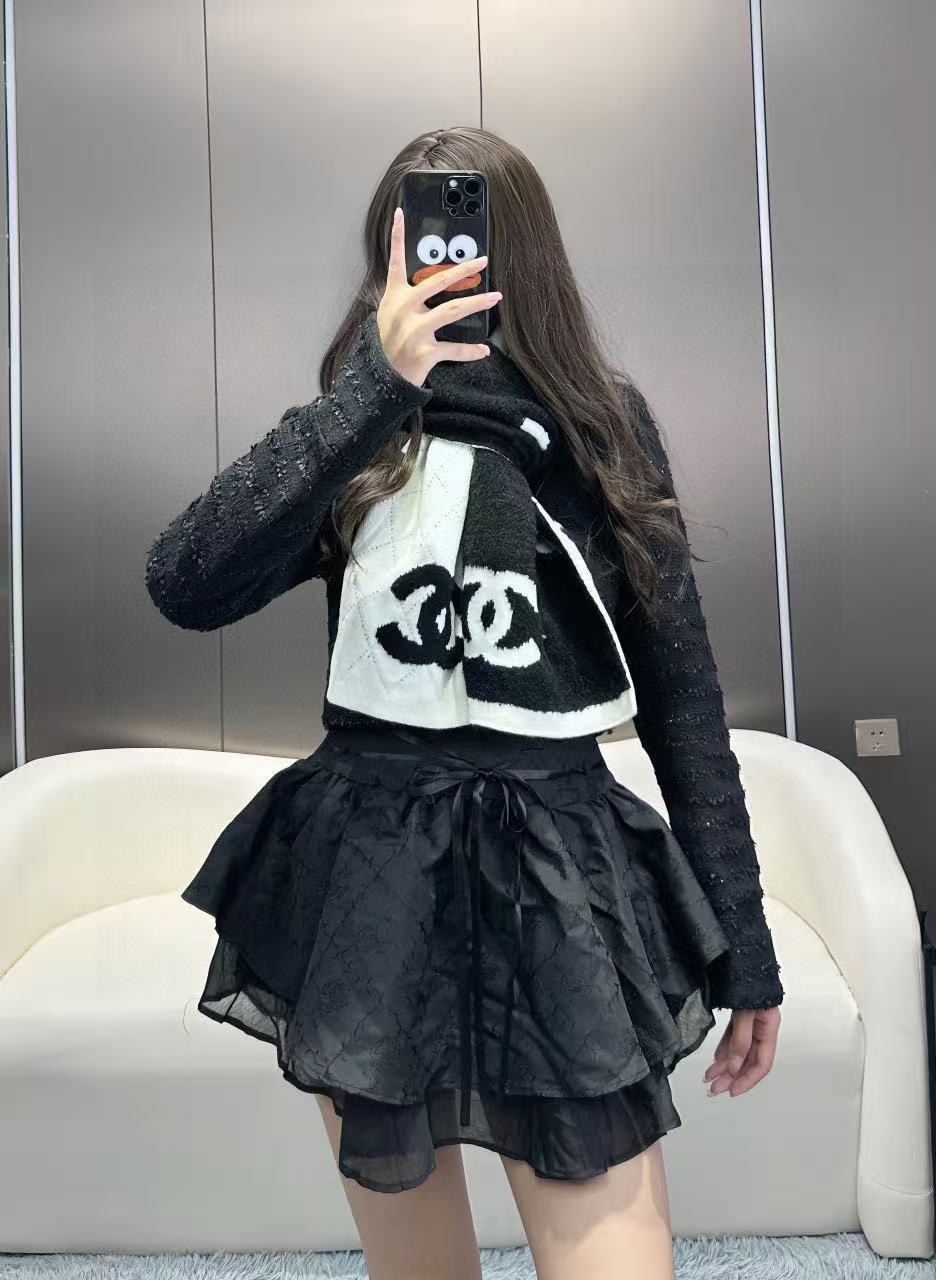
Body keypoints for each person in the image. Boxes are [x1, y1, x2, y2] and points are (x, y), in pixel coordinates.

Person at [144, 127, 783, 1280]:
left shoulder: (597, 427)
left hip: (558, 865)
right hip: (372, 862)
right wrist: (372, 392)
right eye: (413, 241)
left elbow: (682, 698)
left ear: (514, 254)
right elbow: (184, 579)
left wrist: (746, 944)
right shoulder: (355, 427)